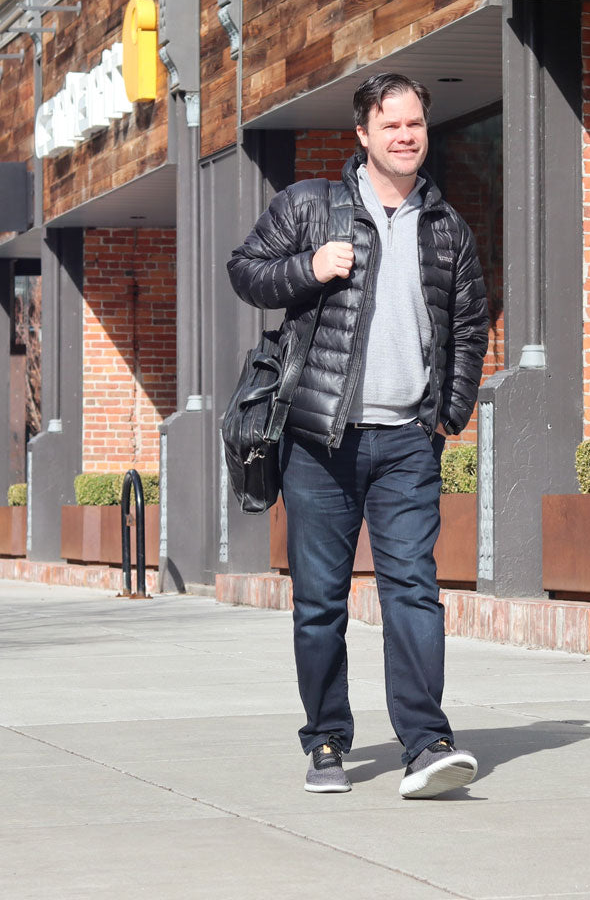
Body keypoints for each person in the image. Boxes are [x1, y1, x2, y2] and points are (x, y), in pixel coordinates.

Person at [228, 72, 489, 798]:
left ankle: (427, 741)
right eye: (393, 126)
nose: (407, 137)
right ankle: (326, 742)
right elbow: (244, 272)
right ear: (364, 135)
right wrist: (307, 268)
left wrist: (450, 411)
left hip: (408, 439)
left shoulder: (447, 228)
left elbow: (470, 324)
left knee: (413, 590)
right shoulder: (312, 206)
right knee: (320, 600)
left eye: (416, 126)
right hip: (319, 439)